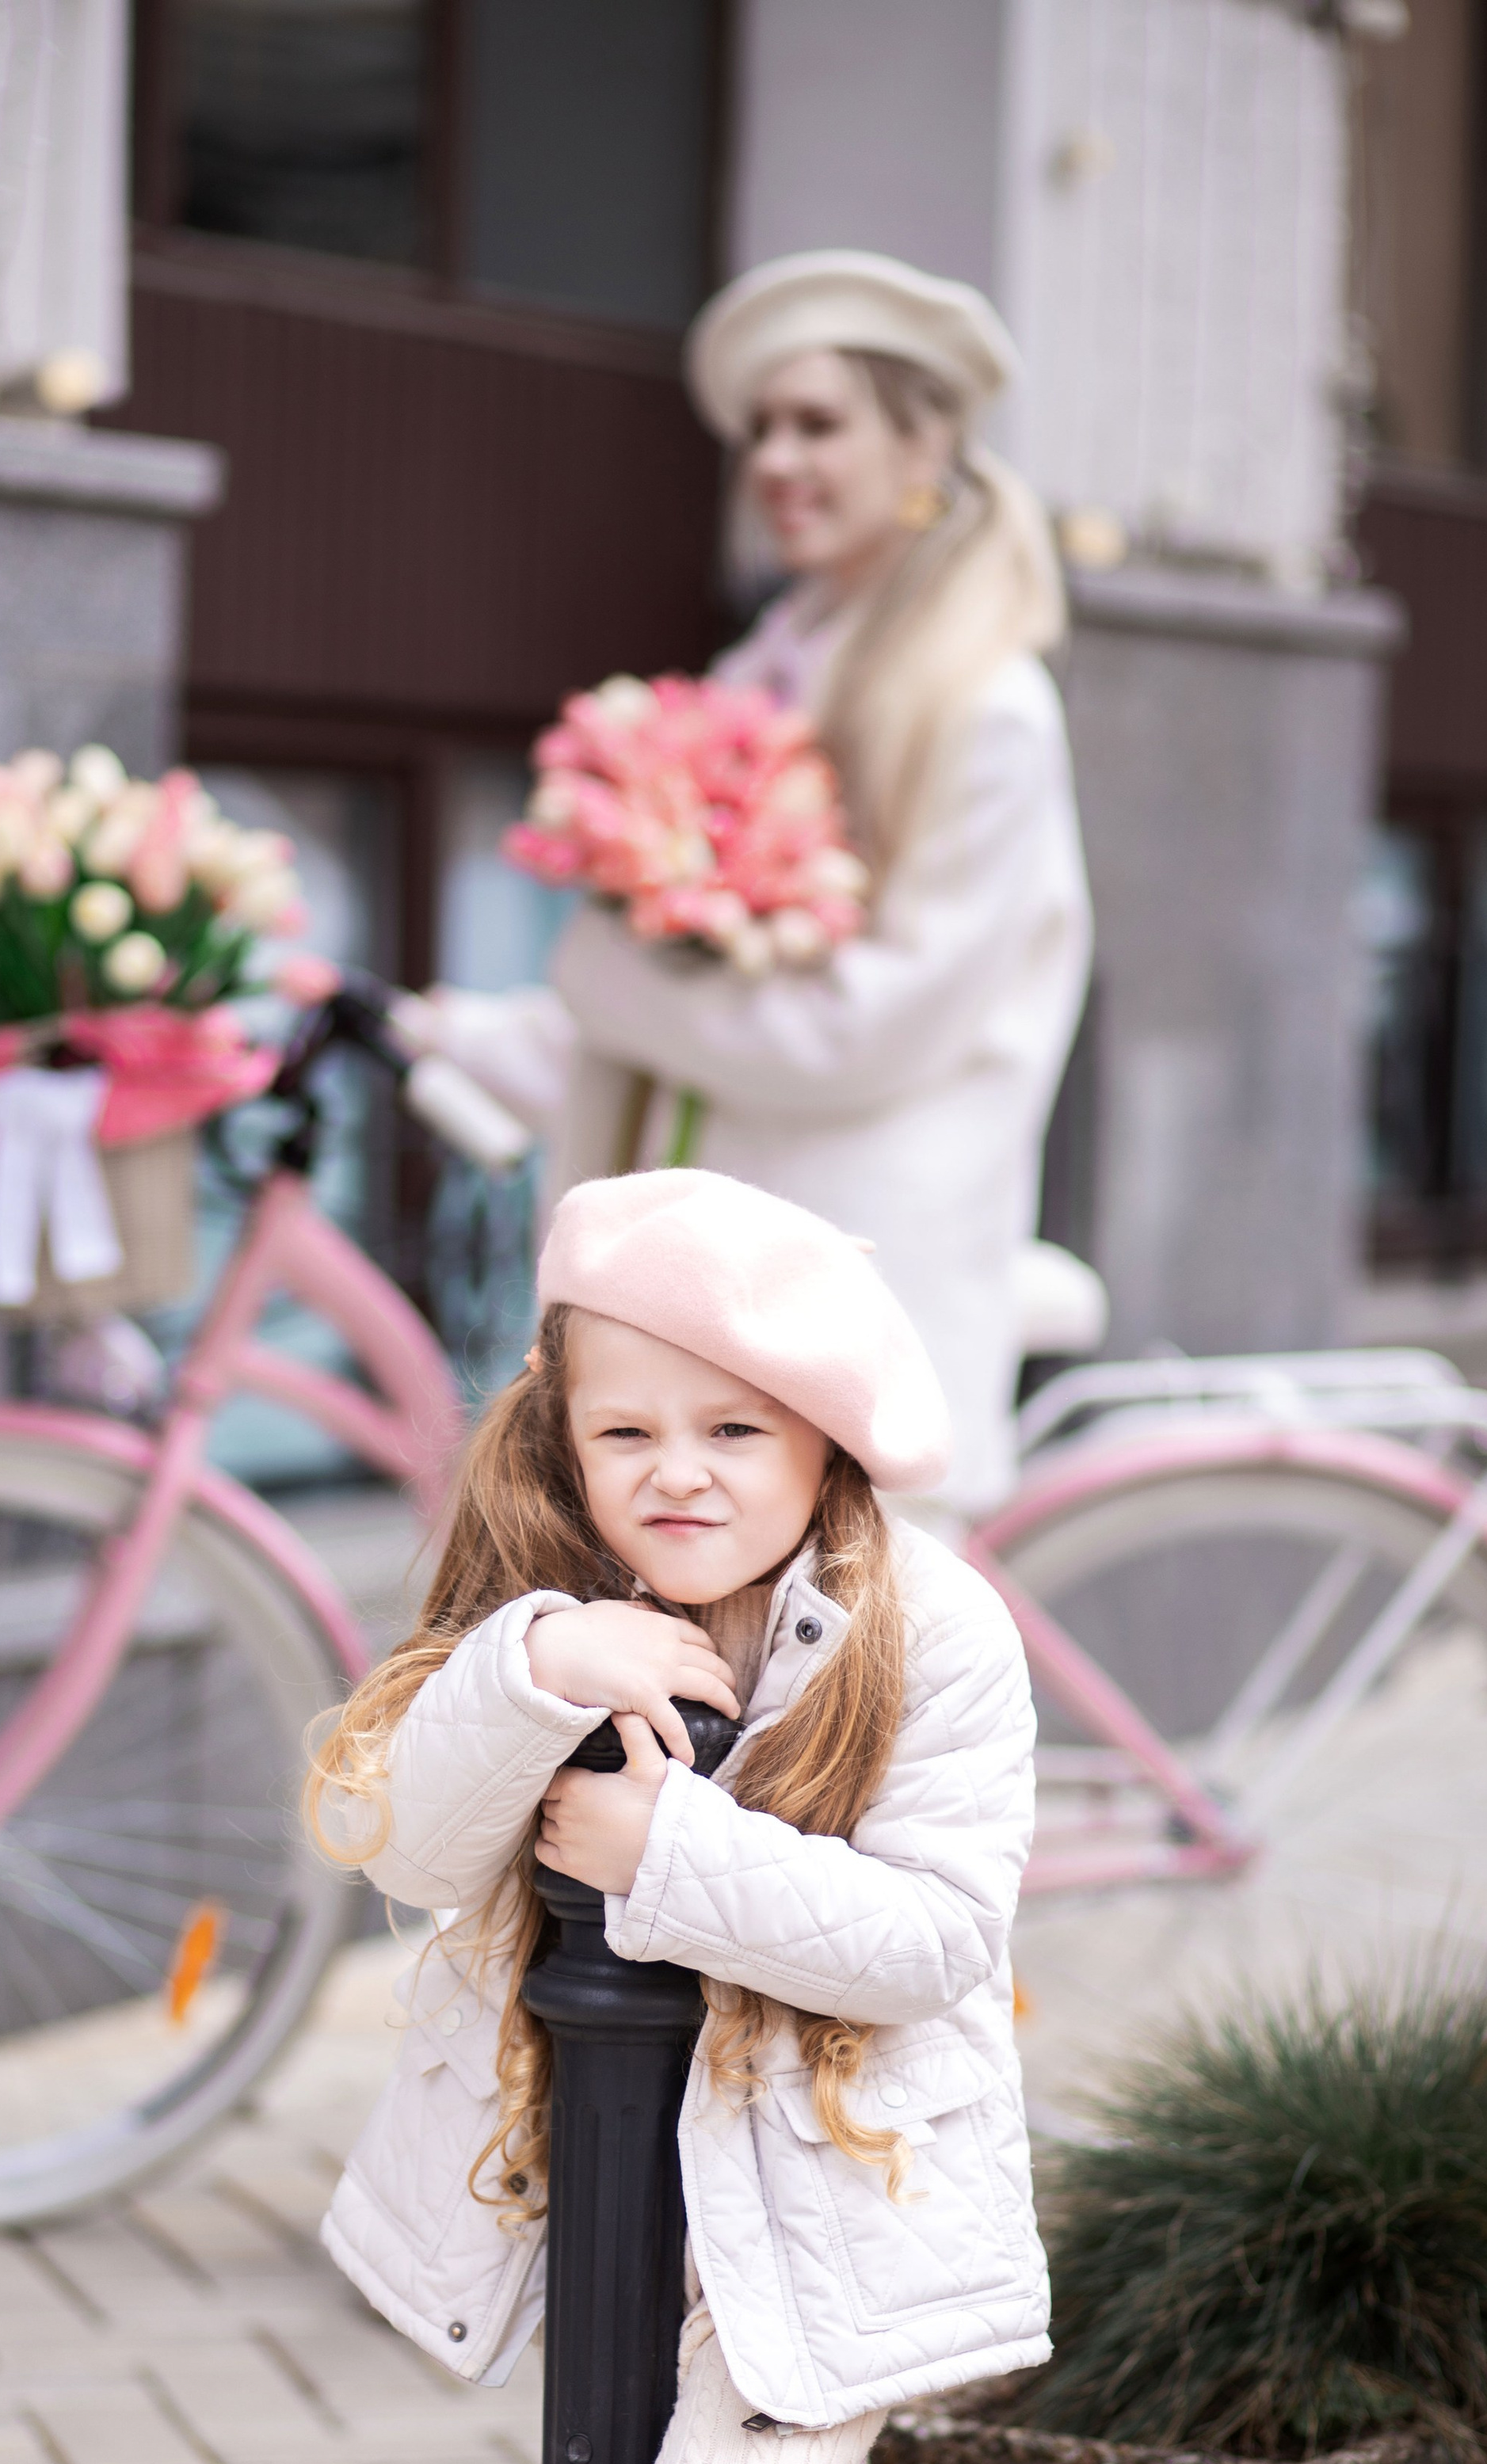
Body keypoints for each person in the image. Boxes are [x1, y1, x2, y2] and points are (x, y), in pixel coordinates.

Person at [309, 1167, 1049, 2464]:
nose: (678, 1475)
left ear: (824, 1441)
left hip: (843, 2201)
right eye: (623, 1429)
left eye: (734, 1431)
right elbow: (400, 1847)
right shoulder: (547, 1594)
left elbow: (935, 1939)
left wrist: (667, 1856)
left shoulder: (930, 1628)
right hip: (625, 2175)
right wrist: (534, 1671)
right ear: (558, 1431)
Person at [414, 252, 1092, 1517]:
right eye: (761, 429)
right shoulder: (763, 675)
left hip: (852, 1297)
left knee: (853, 1650)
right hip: (722, 1292)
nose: (776, 460)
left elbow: (862, 1031)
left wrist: (597, 974)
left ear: (925, 442)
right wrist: (471, 1030)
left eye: (818, 424)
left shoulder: (983, 708)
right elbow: (689, 1013)